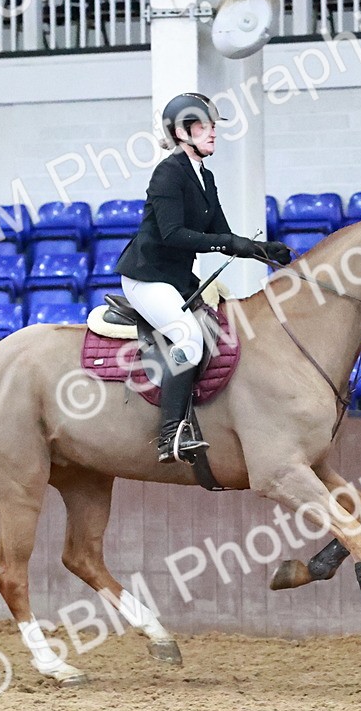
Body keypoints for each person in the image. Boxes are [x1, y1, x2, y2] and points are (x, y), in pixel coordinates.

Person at [115, 92, 292, 464]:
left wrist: (263, 251)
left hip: (177, 279)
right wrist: (230, 241)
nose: (214, 133)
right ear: (182, 132)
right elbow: (172, 234)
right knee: (190, 338)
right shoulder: (168, 173)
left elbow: (223, 236)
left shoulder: (204, 177)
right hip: (147, 277)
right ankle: (169, 435)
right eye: (205, 126)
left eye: (213, 126)